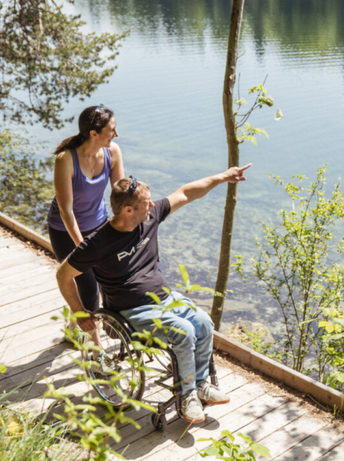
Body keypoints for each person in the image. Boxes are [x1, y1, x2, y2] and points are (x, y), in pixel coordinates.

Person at [56, 164, 252, 425]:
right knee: (183, 331)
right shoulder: (97, 242)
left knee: (204, 321)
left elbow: (185, 193)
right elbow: (63, 274)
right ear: (128, 210)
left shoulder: (148, 217)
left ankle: (201, 383)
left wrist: (223, 177)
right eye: (146, 204)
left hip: (166, 300)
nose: (152, 207)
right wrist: (80, 313)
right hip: (130, 312)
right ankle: (187, 395)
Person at [47, 104, 124, 314]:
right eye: (111, 130)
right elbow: (66, 211)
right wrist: (83, 247)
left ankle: (91, 326)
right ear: (93, 133)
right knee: (89, 285)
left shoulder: (113, 152)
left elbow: (120, 197)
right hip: (65, 230)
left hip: (98, 224)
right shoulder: (66, 160)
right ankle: (93, 344)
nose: (116, 134)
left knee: (109, 277)